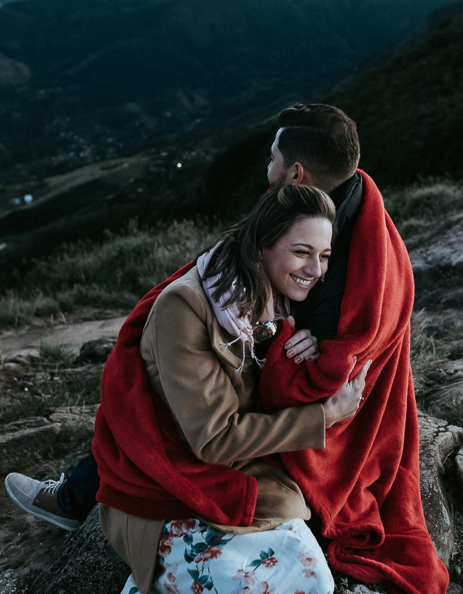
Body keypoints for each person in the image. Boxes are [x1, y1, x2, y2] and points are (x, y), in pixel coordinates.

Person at [5, 104, 448, 594]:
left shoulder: (331, 270)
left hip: (248, 431)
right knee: (155, 388)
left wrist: (303, 355)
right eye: (302, 253)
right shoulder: (342, 202)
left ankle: (74, 496)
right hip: (219, 421)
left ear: (295, 174)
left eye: (272, 157)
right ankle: (78, 496)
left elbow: (315, 373)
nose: (314, 268)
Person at [95, 184, 368, 594]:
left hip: (237, 473)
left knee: (315, 579)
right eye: (301, 252)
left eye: (324, 255)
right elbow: (214, 437)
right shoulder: (185, 308)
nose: (316, 269)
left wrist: (301, 342)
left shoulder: (276, 299)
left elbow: (265, 364)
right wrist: (323, 417)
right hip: (170, 485)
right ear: (260, 246)